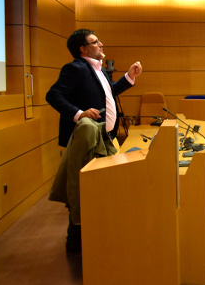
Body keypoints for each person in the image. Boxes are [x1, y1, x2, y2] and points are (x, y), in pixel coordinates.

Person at [46, 29, 143, 253]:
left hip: (105, 138)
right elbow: (53, 95)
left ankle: (96, 233)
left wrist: (130, 77)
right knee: (82, 190)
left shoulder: (97, 69)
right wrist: (79, 113)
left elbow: (109, 93)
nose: (101, 44)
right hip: (87, 141)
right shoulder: (76, 68)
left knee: (99, 190)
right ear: (83, 48)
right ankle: (76, 241)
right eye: (95, 41)